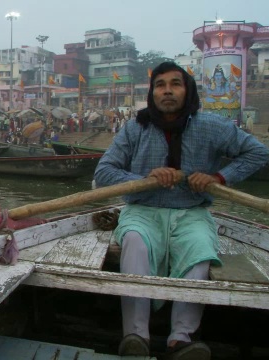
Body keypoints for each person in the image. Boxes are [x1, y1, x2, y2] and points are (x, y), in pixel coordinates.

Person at [94, 62, 269, 359]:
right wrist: (145, 180)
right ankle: (135, 335)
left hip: (192, 211)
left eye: (175, 84)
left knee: (200, 249)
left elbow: (259, 153)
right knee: (134, 242)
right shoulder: (135, 128)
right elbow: (105, 173)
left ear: (187, 90)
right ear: (153, 93)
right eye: (160, 85)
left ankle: (181, 338)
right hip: (144, 209)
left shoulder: (212, 126)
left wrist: (218, 178)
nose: (167, 91)